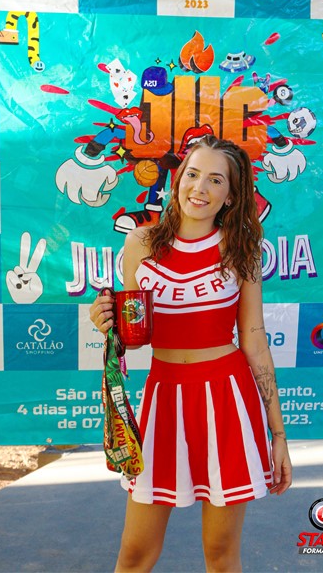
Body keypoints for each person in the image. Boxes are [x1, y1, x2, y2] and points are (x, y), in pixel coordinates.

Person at [89, 135, 292, 573]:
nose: (199, 188)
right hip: (164, 397)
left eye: (215, 180)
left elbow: (254, 340)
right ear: (178, 180)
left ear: (231, 195)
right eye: (193, 174)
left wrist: (278, 436)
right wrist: (107, 322)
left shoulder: (241, 248)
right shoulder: (141, 242)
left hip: (228, 400)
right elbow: (134, 336)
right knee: (134, 554)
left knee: (220, 556)